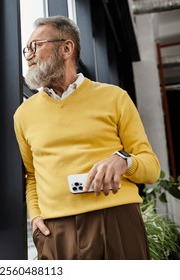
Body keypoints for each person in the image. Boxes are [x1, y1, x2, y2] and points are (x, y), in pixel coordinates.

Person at [13, 16, 161, 260]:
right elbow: (31, 175)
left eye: (35, 46)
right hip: (54, 230)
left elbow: (151, 168)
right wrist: (36, 215)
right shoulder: (23, 114)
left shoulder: (114, 97)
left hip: (116, 220)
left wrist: (124, 160)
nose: (28, 55)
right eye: (26, 49)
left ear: (66, 48)